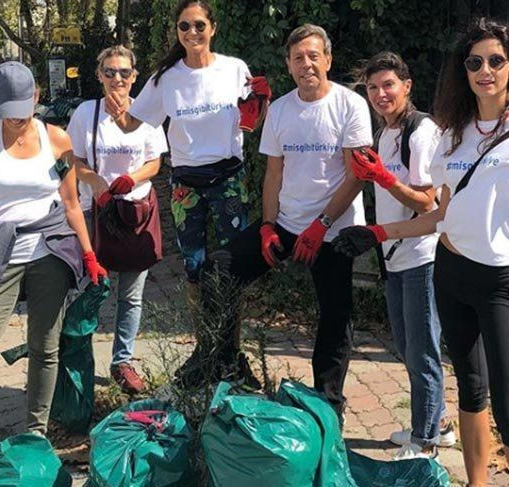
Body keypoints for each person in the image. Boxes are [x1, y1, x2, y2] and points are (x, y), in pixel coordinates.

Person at [332, 18, 509, 486]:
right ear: (464, 70)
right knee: (471, 394)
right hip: (449, 275)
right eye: (475, 62)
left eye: (496, 61)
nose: (485, 70)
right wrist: (379, 232)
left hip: (499, 285)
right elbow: (439, 215)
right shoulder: (453, 132)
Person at [197, 24, 372, 422]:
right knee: (218, 272)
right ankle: (227, 367)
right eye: (298, 58)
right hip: (288, 224)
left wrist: (323, 224)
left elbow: (357, 175)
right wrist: (267, 226)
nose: (306, 64)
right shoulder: (280, 110)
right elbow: (273, 174)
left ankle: (328, 404)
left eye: (314, 56)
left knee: (335, 313)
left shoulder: (350, 106)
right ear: (289, 66)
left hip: (334, 229)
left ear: (328, 60)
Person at [0, 61, 107, 451]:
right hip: (0, 255)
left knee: (45, 348)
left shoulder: (58, 140)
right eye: (7, 114)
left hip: (49, 252)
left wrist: (89, 255)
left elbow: (70, 203)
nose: (16, 121)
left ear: (35, 98)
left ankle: (35, 438)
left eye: (23, 111)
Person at [103, 0, 270, 308]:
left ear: (213, 28)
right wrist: (116, 110)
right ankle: (204, 346)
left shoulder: (234, 69)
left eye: (199, 26)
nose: (192, 32)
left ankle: (228, 348)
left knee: (233, 265)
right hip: (186, 184)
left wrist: (263, 103)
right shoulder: (166, 78)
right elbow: (130, 125)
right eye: (184, 26)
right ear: (177, 31)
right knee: (193, 266)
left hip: (229, 177)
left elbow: (252, 122)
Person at [350, 51, 455, 460]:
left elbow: (428, 203)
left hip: (422, 256)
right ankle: (437, 424)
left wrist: (384, 177)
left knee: (422, 350)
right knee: (407, 344)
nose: (380, 94)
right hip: (392, 254)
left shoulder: (420, 131)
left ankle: (424, 441)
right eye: (373, 87)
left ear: (407, 86)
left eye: (388, 85)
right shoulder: (385, 134)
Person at [66, 45, 168, 393]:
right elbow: (74, 159)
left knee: (132, 295)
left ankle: (122, 362)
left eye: (124, 72)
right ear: (99, 75)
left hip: (137, 211)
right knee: (92, 289)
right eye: (109, 72)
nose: (117, 78)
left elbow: (155, 162)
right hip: (98, 212)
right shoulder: (85, 113)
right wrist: (96, 183)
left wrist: (133, 178)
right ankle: (78, 360)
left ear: (134, 76)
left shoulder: (147, 112)